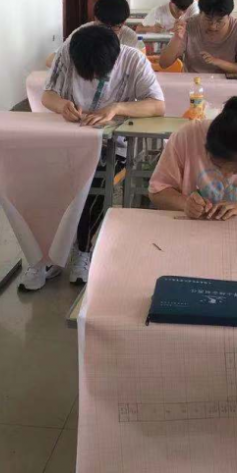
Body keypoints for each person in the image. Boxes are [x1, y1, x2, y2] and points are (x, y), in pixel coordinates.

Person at [40, 25, 165, 289]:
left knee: (93, 181)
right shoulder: (67, 54)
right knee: (47, 179)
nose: (93, 77)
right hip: (70, 138)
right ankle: (49, 252)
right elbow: (48, 95)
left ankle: (83, 250)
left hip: (112, 143)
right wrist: (62, 105)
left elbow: (157, 105)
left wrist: (117, 108)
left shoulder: (133, 59)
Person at [158, 0, 237, 75]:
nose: (213, 27)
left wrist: (218, 62)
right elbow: (163, 63)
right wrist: (177, 38)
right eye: (208, 20)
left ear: (229, 16)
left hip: (227, 83)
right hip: (192, 82)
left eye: (219, 21)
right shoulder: (189, 25)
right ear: (200, 13)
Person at [45, 0, 143, 67]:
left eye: (114, 27)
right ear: (95, 19)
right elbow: (51, 60)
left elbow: (136, 66)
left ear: (123, 23)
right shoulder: (83, 32)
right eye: (103, 26)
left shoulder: (129, 37)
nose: (107, 31)